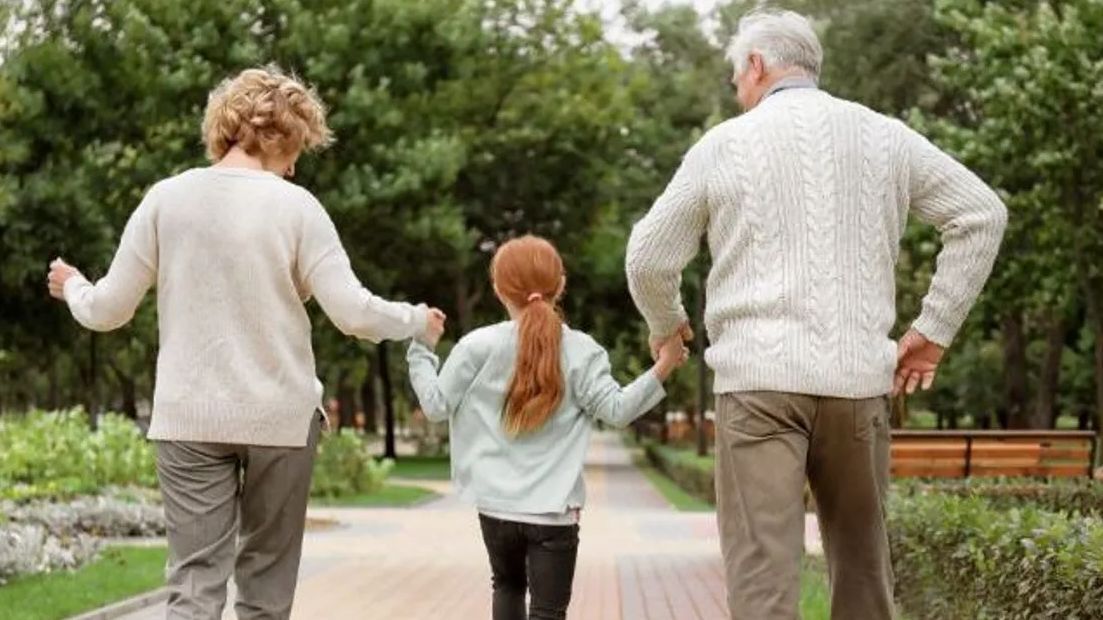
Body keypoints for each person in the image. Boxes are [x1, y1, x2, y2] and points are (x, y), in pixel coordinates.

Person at [624, 9, 1007, 619]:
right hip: (858, 384)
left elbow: (647, 257)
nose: (736, 91)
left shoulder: (724, 144)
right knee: (863, 574)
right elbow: (982, 214)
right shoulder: (887, 136)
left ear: (756, 66)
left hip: (757, 387)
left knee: (762, 582)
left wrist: (666, 326)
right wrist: (932, 332)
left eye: (735, 77)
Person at [45, 66, 446, 619]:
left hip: (189, 420)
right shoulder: (297, 208)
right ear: (279, 135)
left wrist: (73, 288)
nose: (297, 164)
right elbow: (353, 313)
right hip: (280, 419)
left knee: (193, 588)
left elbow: (108, 311)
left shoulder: (166, 199)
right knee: (265, 592)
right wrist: (415, 320)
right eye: (297, 147)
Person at [406, 235, 687, 620]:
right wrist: (666, 363)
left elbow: (436, 406)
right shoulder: (582, 350)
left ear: (498, 289)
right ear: (561, 285)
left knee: (506, 586)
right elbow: (618, 410)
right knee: (548, 613)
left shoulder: (476, 346)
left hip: (496, 508)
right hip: (553, 514)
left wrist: (422, 349)